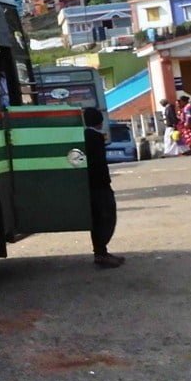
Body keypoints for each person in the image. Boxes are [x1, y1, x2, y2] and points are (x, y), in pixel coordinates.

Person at [82, 107, 123, 269]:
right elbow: (99, 164)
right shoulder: (95, 138)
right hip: (100, 185)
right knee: (106, 217)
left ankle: (101, 252)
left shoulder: (85, 136)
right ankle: (101, 253)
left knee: (98, 219)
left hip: (92, 185)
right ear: (100, 121)